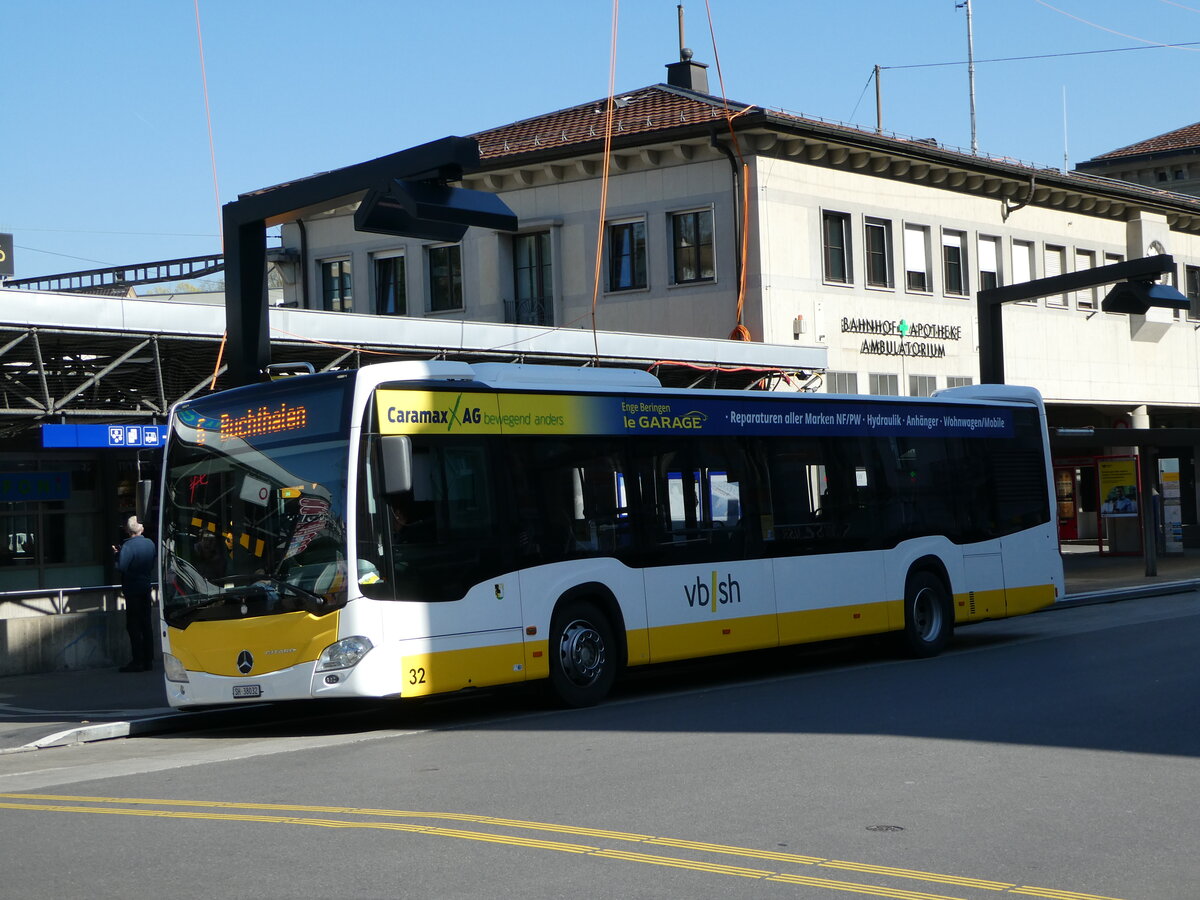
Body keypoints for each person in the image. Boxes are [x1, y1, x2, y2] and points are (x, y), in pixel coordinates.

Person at [114, 516, 156, 672]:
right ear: (142, 529)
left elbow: (121, 567)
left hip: (132, 588)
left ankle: (137, 660)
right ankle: (148, 660)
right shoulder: (150, 544)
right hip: (146, 587)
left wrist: (117, 555)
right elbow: (151, 564)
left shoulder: (127, 547)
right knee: (146, 624)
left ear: (127, 530)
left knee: (133, 625)